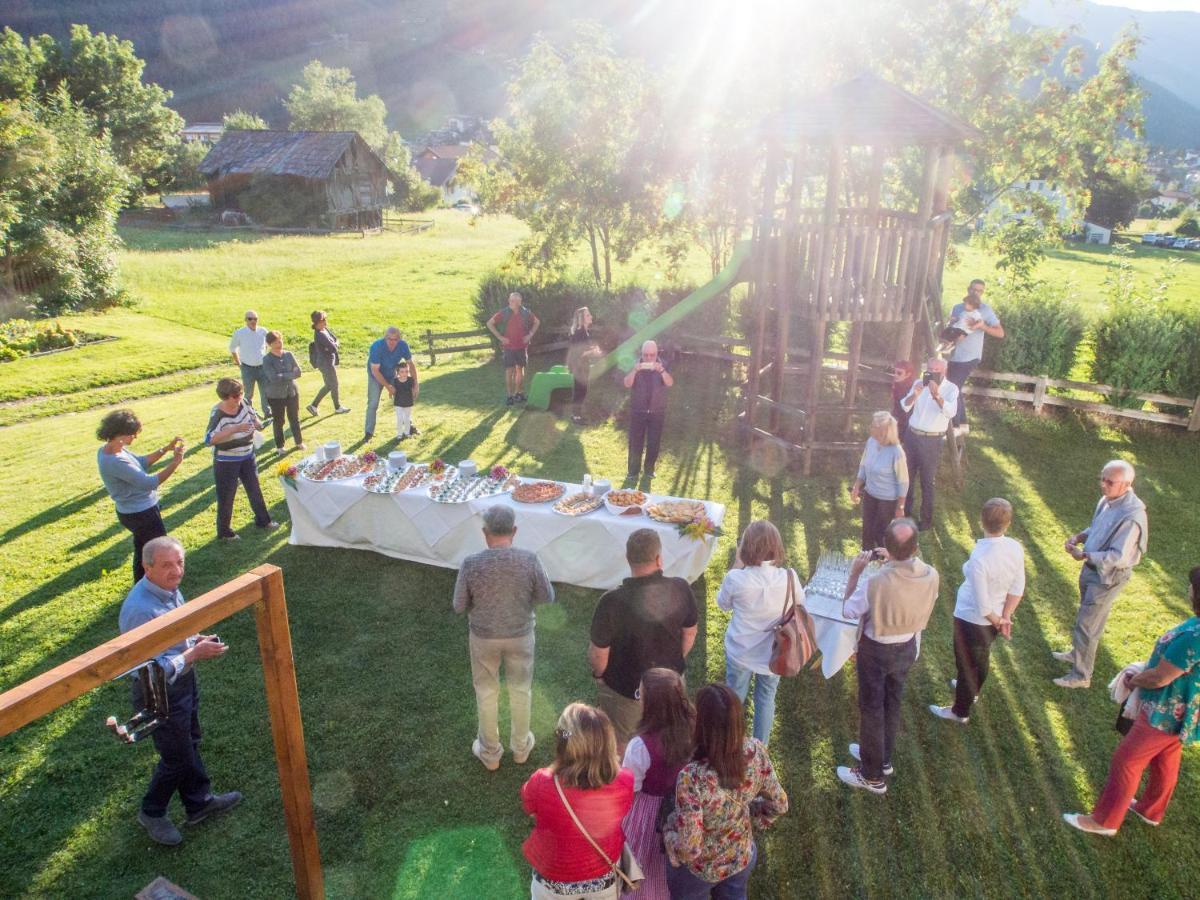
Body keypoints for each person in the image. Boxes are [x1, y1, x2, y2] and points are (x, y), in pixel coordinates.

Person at [119, 536, 242, 846]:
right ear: (147, 568)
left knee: (191, 742)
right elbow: (145, 669)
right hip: (158, 693)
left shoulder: (167, 590)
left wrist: (195, 638)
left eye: (179, 563)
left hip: (183, 682)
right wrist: (191, 654)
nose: (176, 571)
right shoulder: (140, 610)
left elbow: (175, 631)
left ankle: (198, 803)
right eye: (166, 565)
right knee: (177, 758)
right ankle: (152, 811)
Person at [1062, 566, 1200, 836]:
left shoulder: (1194, 639)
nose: (1188, 590)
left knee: (1126, 761)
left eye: (1192, 587)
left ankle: (1104, 821)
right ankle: (1150, 810)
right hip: (1182, 711)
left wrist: (1133, 680)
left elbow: (1160, 677)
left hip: (1165, 711)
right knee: (1167, 757)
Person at [836, 518, 939, 794]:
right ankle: (882, 758)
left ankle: (871, 776)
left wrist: (855, 573)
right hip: (907, 646)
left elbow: (848, 609)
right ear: (916, 548)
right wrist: (892, 562)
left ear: (887, 548)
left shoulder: (875, 581)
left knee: (871, 709)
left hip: (877, 649)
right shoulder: (931, 574)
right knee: (892, 703)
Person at [453, 506, 555, 771]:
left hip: (483, 638)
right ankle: (521, 749)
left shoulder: (471, 563)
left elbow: (458, 605)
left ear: (485, 533)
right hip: (520, 635)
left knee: (486, 693)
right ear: (514, 531)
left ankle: (490, 754)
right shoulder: (530, 560)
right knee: (521, 691)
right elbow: (547, 597)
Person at [663, 684, 788, 899]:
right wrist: (755, 818)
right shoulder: (756, 751)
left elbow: (689, 849)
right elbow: (780, 804)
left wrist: (669, 834)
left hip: (700, 871)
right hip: (741, 856)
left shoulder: (691, 777)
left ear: (702, 725)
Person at [589, 528, 699, 752]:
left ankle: (627, 783)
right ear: (659, 559)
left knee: (623, 743)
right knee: (670, 736)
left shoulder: (610, 601)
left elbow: (599, 654)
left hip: (625, 689)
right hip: (671, 683)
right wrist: (674, 661)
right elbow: (690, 633)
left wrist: (600, 676)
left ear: (628, 559)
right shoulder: (681, 587)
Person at [521, 703, 634, 900]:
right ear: (608, 742)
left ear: (563, 743)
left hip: (552, 880)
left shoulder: (541, 781)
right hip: (603, 877)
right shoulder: (625, 780)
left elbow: (530, 809)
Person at [928, 498, 1025, 724]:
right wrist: (1005, 616)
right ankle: (973, 691)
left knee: (966, 664)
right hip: (994, 618)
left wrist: (1000, 620)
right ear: (1007, 524)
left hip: (972, 618)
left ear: (982, 520)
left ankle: (959, 711)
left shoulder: (980, 557)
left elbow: (982, 606)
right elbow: (1017, 586)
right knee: (980, 657)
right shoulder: (1014, 547)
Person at [1055, 459, 1148, 689]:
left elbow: (1119, 557)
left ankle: (1081, 676)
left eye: (1110, 482)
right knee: (1086, 618)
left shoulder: (1132, 517)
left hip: (1107, 577)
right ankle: (1077, 653)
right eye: (1102, 479)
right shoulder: (1108, 501)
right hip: (1092, 569)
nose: (1103, 485)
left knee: (1088, 624)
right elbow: (1097, 528)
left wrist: (1085, 556)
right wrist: (1079, 537)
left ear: (1126, 484)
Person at [716, 520, 795, 746]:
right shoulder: (789, 577)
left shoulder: (736, 578)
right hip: (774, 653)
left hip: (741, 651)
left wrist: (737, 563)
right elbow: (800, 604)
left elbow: (723, 604)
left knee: (735, 699)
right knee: (766, 698)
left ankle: (730, 745)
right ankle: (761, 751)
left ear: (745, 547)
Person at [620, 668, 694, 900]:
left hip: (648, 814)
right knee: (666, 863)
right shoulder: (694, 730)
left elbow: (629, 788)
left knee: (644, 859)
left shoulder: (640, 746)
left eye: (640, 695)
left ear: (651, 704)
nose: (638, 699)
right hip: (684, 808)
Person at [97, 409, 184, 583]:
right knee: (159, 551)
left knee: (143, 549)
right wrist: (175, 463)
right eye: (132, 434)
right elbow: (149, 483)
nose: (135, 437)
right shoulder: (115, 461)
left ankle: (140, 583)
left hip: (136, 511)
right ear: (120, 434)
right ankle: (159, 584)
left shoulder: (114, 450)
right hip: (141, 514)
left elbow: (142, 462)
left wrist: (165, 449)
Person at [204, 377, 278, 541]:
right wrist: (235, 429)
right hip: (227, 461)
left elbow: (252, 416)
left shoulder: (243, 402)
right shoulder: (218, 414)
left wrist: (258, 424)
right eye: (235, 396)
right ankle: (224, 532)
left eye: (240, 394)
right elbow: (209, 440)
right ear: (225, 397)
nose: (239, 398)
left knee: (254, 488)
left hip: (247, 455)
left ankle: (263, 521)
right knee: (226, 496)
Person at [899, 357, 959, 531]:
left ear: (944, 371)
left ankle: (925, 521)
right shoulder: (919, 382)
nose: (931, 372)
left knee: (927, 481)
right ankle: (906, 515)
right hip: (912, 435)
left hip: (931, 440)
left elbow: (950, 412)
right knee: (907, 477)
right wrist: (915, 394)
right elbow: (905, 406)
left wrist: (936, 395)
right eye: (929, 368)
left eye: (936, 370)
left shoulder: (951, 389)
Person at [943, 279, 1003, 435]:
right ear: (968, 289)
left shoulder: (985, 310)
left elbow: (1000, 333)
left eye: (980, 291)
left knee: (953, 388)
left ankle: (955, 426)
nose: (976, 293)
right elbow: (952, 328)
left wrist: (982, 326)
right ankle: (963, 425)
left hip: (970, 356)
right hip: (954, 355)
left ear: (982, 292)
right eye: (974, 289)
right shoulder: (957, 307)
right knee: (954, 388)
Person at [850, 412, 909, 551]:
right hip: (870, 494)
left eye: (874, 426)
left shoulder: (896, 451)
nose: (871, 427)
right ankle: (866, 562)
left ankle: (883, 563)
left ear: (885, 431)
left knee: (880, 534)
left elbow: (904, 481)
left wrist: (900, 507)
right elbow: (864, 465)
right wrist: (857, 485)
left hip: (887, 500)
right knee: (867, 531)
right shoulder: (871, 442)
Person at [623, 340, 674, 482]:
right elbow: (627, 383)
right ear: (642, 353)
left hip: (657, 411)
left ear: (657, 353)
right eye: (646, 355)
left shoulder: (664, 363)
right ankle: (633, 472)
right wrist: (635, 370)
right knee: (635, 442)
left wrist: (662, 370)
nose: (649, 358)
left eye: (652, 355)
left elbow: (670, 383)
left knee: (654, 442)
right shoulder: (634, 363)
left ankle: (649, 470)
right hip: (638, 409)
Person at [365, 326, 418, 441]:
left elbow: (411, 364)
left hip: (391, 373)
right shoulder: (376, 347)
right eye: (390, 339)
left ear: (399, 339)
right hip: (375, 375)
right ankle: (368, 433)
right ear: (385, 338)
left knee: (403, 398)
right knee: (373, 403)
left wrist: (415, 384)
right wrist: (388, 387)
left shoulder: (403, 345)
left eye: (396, 339)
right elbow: (375, 370)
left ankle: (409, 427)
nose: (393, 342)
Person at [487, 291, 540, 406]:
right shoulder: (504, 313)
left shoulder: (525, 313)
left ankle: (519, 393)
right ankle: (510, 396)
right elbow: (490, 323)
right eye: (511, 300)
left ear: (520, 302)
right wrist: (500, 337)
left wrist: (530, 335)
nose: (512, 303)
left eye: (515, 301)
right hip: (509, 347)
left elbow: (537, 322)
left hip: (522, 346)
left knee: (520, 370)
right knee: (510, 371)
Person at [262, 330, 304, 452]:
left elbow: (299, 372)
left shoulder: (288, 355)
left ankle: (299, 442)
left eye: (280, 341)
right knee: (279, 420)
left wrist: (283, 375)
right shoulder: (267, 359)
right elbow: (273, 378)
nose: (279, 344)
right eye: (276, 342)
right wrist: (291, 374)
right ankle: (280, 446)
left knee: (294, 418)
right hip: (275, 395)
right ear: (270, 344)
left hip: (292, 391)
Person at [305, 310, 349, 416]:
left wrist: (334, 344)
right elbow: (334, 347)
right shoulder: (320, 334)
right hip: (325, 364)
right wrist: (335, 344)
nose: (325, 321)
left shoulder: (324, 330)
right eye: (323, 320)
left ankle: (313, 406)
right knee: (333, 384)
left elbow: (335, 340)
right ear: (317, 322)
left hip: (328, 362)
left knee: (329, 385)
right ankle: (337, 407)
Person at [566, 306, 603, 424]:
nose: (591, 316)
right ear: (582, 319)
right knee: (580, 390)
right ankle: (575, 416)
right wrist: (593, 352)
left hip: (582, 365)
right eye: (588, 315)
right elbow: (579, 352)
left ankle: (577, 414)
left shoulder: (583, 331)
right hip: (578, 366)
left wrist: (593, 348)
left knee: (582, 390)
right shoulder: (579, 332)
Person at [228, 310, 269, 415]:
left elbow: (267, 345)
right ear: (245, 320)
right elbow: (233, 348)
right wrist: (238, 363)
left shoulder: (263, 331)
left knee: (265, 392)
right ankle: (249, 414)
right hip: (247, 368)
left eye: (255, 318)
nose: (253, 321)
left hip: (262, 367)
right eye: (250, 319)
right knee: (249, 393)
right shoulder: (239, 333)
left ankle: (267, 412)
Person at [392, 364, 418, 441]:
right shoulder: (395, 381)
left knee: (407, 418)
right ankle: (399, 434)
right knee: (399, 419)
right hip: (398, 403)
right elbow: (392, 390)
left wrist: (414, 396)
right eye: (402, 372)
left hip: (408, 402)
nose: (404, 373)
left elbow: (413, 389)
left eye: (406, 371)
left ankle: (407, 433)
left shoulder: (410, 380)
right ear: (398, 373)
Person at [891, 360, 916, 438]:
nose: (895, 375)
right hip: (898, 420)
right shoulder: (897, 385)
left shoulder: (911, 388)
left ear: (908, 374)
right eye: (894, 372)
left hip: (908, 424)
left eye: (899, 373)